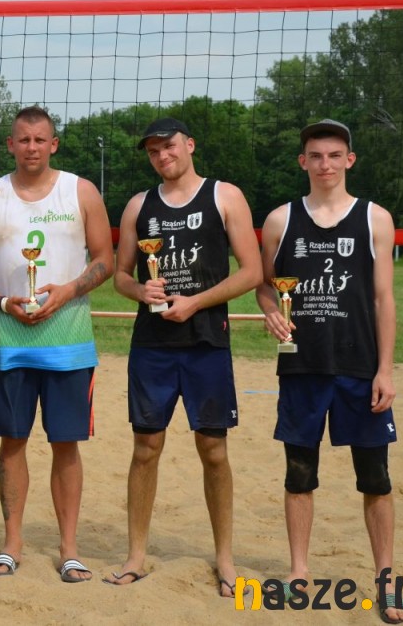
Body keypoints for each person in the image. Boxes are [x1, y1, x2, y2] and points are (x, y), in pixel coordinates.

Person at [257, 119, 403, 623]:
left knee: (376, 479)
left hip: (359, 368)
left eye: (334, 155)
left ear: (350, 160)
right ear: (302, 161)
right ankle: (299, 573)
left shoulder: (375, 218)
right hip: (301, 367)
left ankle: (386, 581)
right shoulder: (280, 220)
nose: (325, 164)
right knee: (299, 475)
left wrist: (385, 370)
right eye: (316, 155)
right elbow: (265, 284)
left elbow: (383, 299)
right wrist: (270, 310)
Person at [105, 116, 261, 596]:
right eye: (153, 150)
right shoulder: (139, 206)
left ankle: (225, 559)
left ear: (189, 145)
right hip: (152, 345)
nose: (162, 155)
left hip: (206, 341)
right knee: (145, 448)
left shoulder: (224, 196)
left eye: (169, 146)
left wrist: (196, 302)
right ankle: (136, 555)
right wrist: (140, 291)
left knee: (213, 450)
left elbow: (252, 272)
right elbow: (121, 276)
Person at [0, 106, 113, 580]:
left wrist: (69, 290)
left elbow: (106, 260)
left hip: (69, 344)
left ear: (53, 144)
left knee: (65, 445)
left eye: (40, 139)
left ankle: (69, 548)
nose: (31, 147)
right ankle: (11, 544)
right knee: (12, 443)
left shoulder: (81, 191)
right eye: (23, 139)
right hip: (10, 343)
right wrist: (0, 300)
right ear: (10, 144)